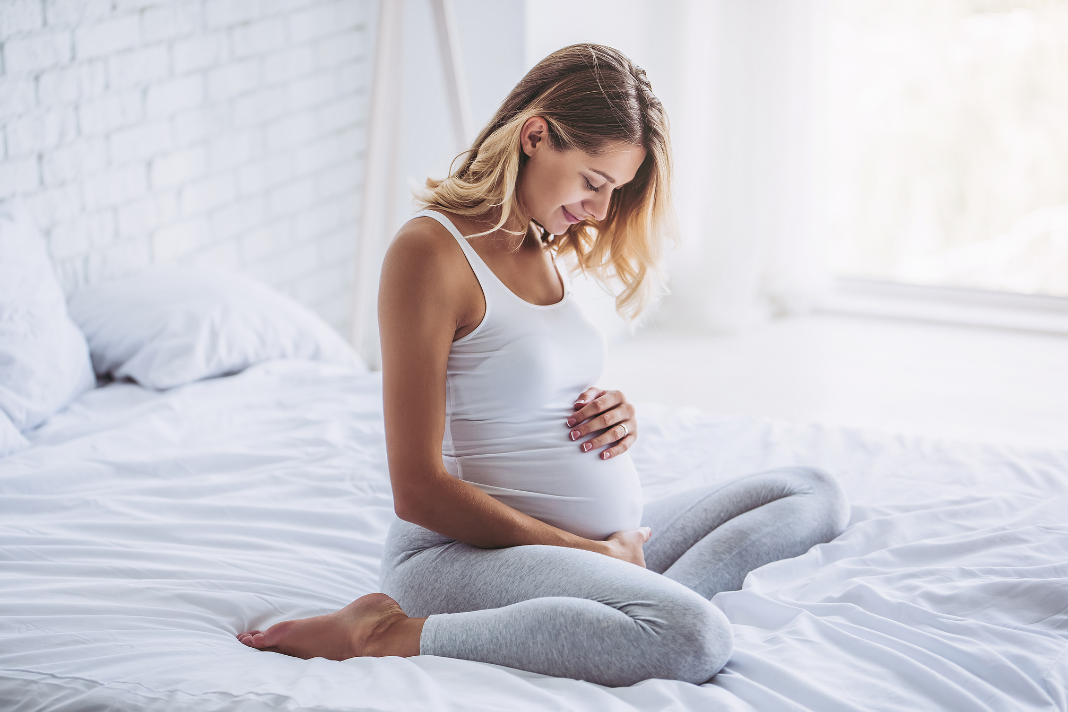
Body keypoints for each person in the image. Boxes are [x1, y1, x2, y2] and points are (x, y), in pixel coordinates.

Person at [237, 43, 850, 687]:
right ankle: (388, 635)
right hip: (459, 557)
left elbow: (523, 386)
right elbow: (416, 489)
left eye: (614, 191)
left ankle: (617, 601)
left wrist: (615, 414)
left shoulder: (541, 240)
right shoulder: (430, 253)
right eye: (593, 181)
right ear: (535, 136)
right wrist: (590, 554)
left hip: (589, 548)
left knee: (811, 492)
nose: (601, 210)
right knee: (693, 638)